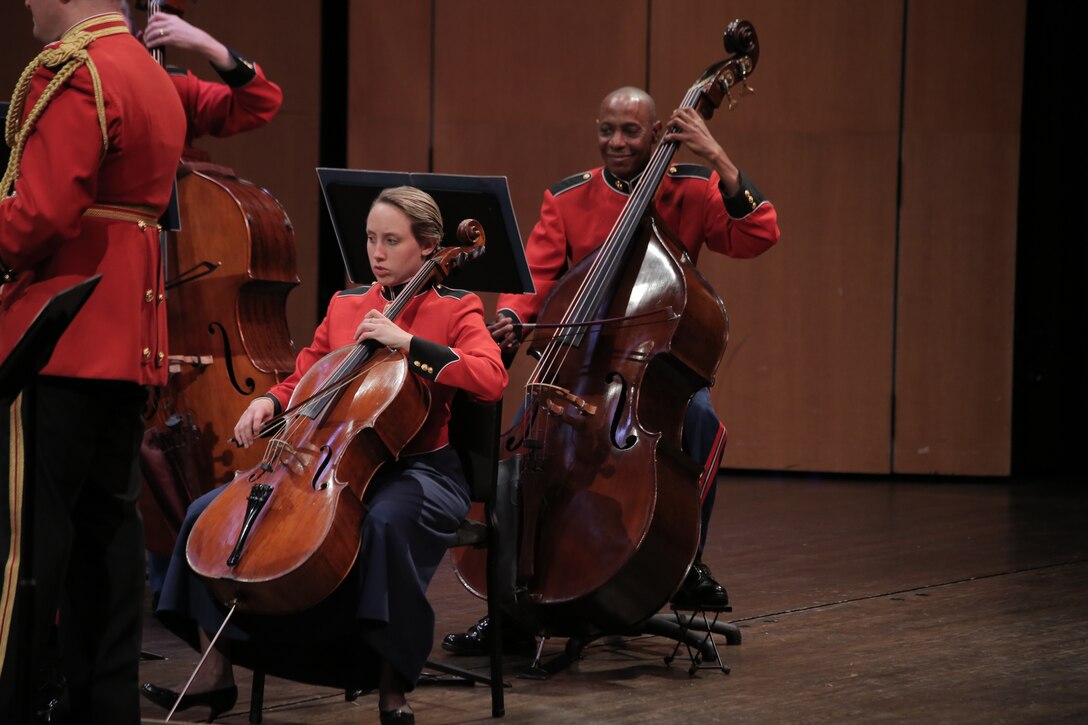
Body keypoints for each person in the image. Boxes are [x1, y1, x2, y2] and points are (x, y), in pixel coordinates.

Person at [140, 186, 508, 724]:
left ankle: (391, 688)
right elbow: (305, 375)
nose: (376, 253)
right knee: (204, 517)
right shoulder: (346, 304)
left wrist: (406, 343)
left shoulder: (455, 307)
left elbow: (492, 379)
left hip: (419, 469)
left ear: (429, 248)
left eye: (391, 241)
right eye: (369, 239)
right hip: (328, 461)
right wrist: (267, 401)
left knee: (384, 525)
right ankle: (215, 677)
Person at [443, 86, 780, 656]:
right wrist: (509, 317)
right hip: (576, 356)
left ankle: (684, 559)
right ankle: (510, 608)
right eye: (606, 130)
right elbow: (535, 277)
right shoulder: (568, 198)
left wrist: (718, 157)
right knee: (525, 453)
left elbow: (758, 234)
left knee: (698, 423)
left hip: (649, 360)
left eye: (630, 131)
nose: (616, 142)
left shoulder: (693, 189)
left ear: (656, 134)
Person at [0, 0, 186, 721]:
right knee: (106, 547)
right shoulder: (147, 71)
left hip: (54, 337)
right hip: (126, 339)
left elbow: (40, 213)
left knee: (24, 552)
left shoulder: (78, 71)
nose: (25, 3)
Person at [121, 0, 283, 161]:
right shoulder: (96, 93)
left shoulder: (177, 87)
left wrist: (207, 45)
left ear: (140, 40)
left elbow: (261, 103)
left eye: (120, 42)